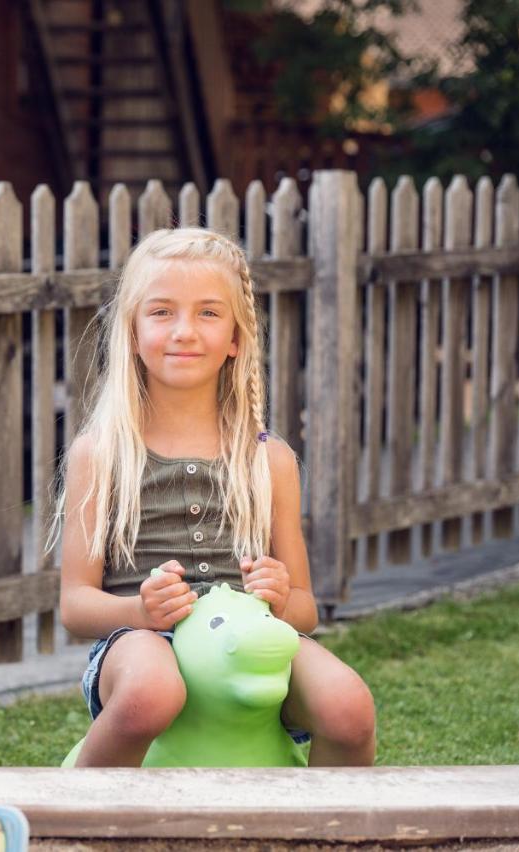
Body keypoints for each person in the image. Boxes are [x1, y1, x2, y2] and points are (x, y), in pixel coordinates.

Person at [57, 227, 375, 767]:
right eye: (161, 312)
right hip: (139, 641)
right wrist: (141, 610)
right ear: (131, 332)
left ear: (236, 338)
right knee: (150, 694)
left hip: (251, 640)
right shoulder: (101, 453)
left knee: (349, 707)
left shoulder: (268, 459)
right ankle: (73, 827)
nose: (184, 331)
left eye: (208, 313)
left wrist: (277, 596)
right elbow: (75, 605)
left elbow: (304, 610)